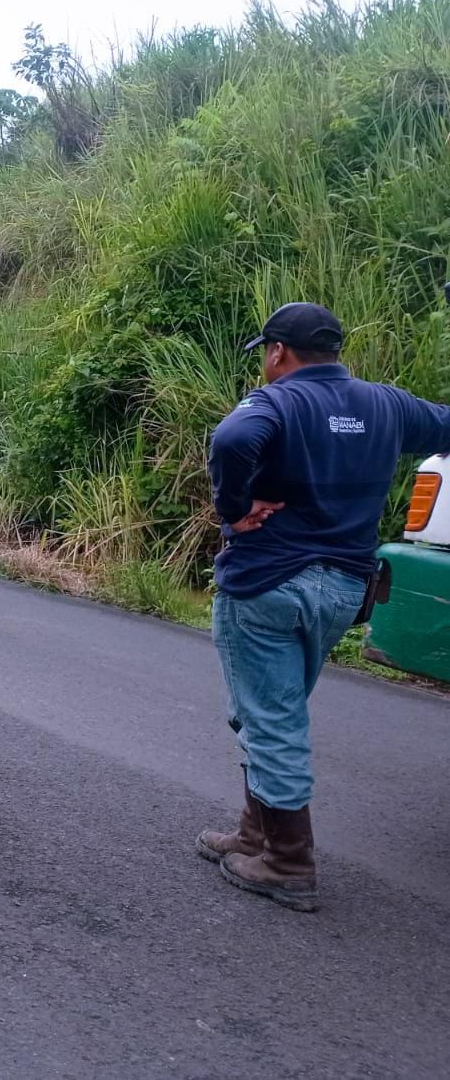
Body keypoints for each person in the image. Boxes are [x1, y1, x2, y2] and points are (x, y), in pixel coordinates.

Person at [201, 301, 450, 911]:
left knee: (272, 718)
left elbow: (232, 439)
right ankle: (256, 833)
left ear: (278, 352)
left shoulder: (276, 402)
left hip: (268, 583)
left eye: (266, 353)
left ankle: (287, 862)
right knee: (274, 709)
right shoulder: (388, 404)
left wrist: (234, 509)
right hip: (342, 589)